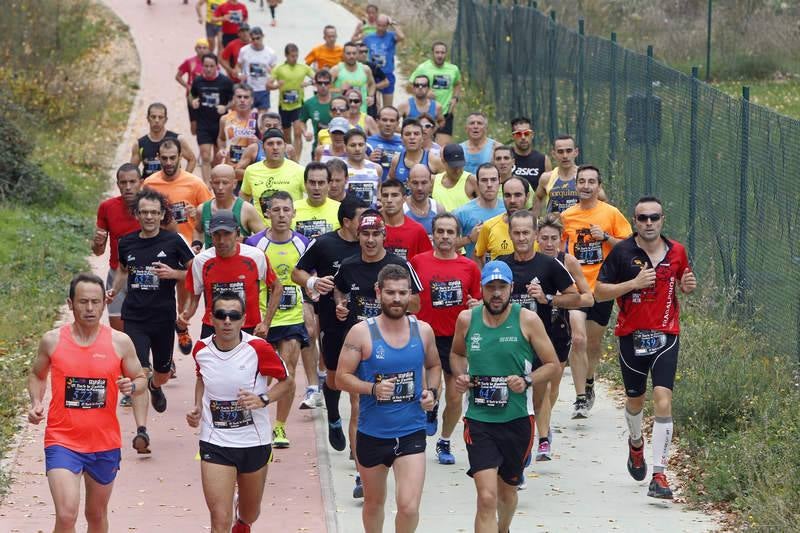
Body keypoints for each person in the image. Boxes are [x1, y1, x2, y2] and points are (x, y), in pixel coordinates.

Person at [594, 196, 696, 499]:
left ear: (663, 219)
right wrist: (633, 284)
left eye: (654, 217)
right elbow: (599, 292)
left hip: (666, 335)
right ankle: (636, 442)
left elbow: (684, 282)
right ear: (635, 221)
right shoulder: (622, 252)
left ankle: (660, 473)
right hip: (631, 336)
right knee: (635, 399)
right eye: (643, 218)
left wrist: (688, 286)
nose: (649, 223)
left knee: (663, 398)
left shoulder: (677, 251)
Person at [27, 273, 145, 533]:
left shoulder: (120, 342)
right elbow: (37, 375)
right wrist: (35, 402)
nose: (89, 309)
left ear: (104, 303)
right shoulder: (53, 340)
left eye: (95, 302)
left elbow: (140, 379)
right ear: (70, 303)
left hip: (104, 443)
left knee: (96, 514)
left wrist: (133, 385)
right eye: (82, 302)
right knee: (67, 514)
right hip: (62, 440)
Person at [451, 260, 559, 533]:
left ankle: (504, 528)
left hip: (517, 420)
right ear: (482, 289)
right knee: (486, 498)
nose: (496, 293)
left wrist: (527, 380)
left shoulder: (527, 320)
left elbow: (552, 364)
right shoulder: (467, 319)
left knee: (507, 494)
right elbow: (456, 354)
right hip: (478, 419)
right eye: (490, 287)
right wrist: (461, 375)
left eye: (502, 287)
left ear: (511, 288)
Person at [336, 265, 441, 533]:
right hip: (372, 433)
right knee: (373, 503)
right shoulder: (361, 333)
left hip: (411, 431)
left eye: (402, 293)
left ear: (410, 295)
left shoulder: (423, 330)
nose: (397, 299)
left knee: (409, 507)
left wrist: (432, 392)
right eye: (391, 293)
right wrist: (372, 389)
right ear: (378, 292)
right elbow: (341, 378)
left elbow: (433, 366)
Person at [187, 291, 293, 533]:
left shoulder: (258, 348)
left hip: (253, 441)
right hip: (215, 441)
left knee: (250, 512)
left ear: (243, 319)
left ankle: (243, 521)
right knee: (219, 519)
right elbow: (202, 378)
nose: (227, 321)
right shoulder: (201, 349)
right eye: (221, 315)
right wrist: (196, 407)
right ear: (211, 318)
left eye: (233, 316)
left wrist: (263, 399)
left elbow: (287, 382)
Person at [333, 211, 422, 498]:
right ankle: (362, 472)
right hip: (363, 344)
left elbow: (418, 303)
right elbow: (339, 291)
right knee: (359, 403)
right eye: (365, 234)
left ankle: (399, 460)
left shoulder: (399, 265)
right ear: (357, 236)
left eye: (375, 234)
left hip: (397, 338)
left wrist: (396, 307)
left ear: (384, 236)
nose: (370, 240)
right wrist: (341, 305)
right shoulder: (348, 266)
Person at [108, 188, 196, 453]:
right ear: (137, 214)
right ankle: (142, 431)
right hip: (134, 315)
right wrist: (115, 289)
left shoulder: (174, 241)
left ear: (162, 215)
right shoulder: (127, 242)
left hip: (163, 317)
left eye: (154, 213)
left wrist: (174, 273)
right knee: (139, 372)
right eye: (144, 212)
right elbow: (123, 270)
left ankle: (156, 387)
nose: (149, 217)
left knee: (161, 373)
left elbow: (195, 271)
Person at [496, 211, 584, 462]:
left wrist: (547, 298)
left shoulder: (548, 265)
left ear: (535, 235)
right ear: (510, 234)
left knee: (537, 397)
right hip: (508, 344)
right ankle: (520, 455)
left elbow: (575, 297)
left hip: (540, 342)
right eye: (517, 232)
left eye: (526, 233)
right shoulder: (502, 265)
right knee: (512, 401)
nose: (522, 238)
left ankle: (540, 437)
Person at [291, 197, 368, 455]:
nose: (366, 226)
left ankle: (359, 455)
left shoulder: (370, 244)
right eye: (361, 219)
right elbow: (296, 273)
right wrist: (313, 283)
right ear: (347, 222)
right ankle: (334, 415)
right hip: (332, 321)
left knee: (358, 387)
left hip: (365, 324)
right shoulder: (324, 244)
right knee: (335, 378)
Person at [560, 165, 632, 418]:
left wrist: (606, 238)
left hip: (602, 287)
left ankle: (589, 380)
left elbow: (628, 245)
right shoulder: (567, 217)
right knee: (577, 339)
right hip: (577, 288)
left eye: (592, 182)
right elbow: (560, 249)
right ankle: (580, 398)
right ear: (576, 185)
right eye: (582, 181)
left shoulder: (611, 213)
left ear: (598, 186)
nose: (586, 186)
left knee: (592, 342)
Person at [409, 214, 481, 464]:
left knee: (455, 394)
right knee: (424, 388)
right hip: (424, 334)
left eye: (450, 232)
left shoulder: (469, 266)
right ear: (433, 234)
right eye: (440, 231)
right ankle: (430, 408)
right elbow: (409, 294)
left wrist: (475, 304)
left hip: (455, 339)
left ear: (458, 236)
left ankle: (445, 441)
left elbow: (477, 299)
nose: (445, 237)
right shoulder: (418, 262)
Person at [245, 193, 309, 449]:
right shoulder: (254, 243)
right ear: (267, 214)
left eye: (286, 210)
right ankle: (256, 415)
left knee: (289, 372)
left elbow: (309, 278)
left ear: (294, 213)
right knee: (260, 374)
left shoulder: (304, 243)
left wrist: (310, 306)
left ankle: (280, 426)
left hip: (292, 317)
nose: (282, 215)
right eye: (276, 210)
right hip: (261, 319)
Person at [533, 213, 594, 460]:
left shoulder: (567, 261)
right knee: (537, 385)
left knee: (553, 385)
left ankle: (544, 423)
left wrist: (559, 298)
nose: (549, 243)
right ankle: (542, 434)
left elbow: (588, 297)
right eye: (544, 238)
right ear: (537, 238)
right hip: (534, 326)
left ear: (562, 239)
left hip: (558, 325)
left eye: (554, 239)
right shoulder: (529, 262)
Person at [180, 210, 282, 340]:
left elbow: (277, 287)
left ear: (237, 233)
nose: (221, 240)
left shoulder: (256, 256)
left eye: (227, 234)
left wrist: (266, 323)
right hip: (213, 328)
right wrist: (186, 315)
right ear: (210, 235)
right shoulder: (201, 261)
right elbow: (194, 297)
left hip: (248, 329)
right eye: (216, 234)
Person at [92, 163, 141, 334]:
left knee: (145, 328)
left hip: (144, 275)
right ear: (118, 184)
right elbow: (98, 252)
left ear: (140, 182)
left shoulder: (151, 208)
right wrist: (97, 242)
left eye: (132, 182)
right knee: (118, 332)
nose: (128, 187)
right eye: (123, 182)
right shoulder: (107, 207)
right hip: (116, 273)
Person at [143, 138, 213, 246]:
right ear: (158, 157)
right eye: (164, 158)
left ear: (180, 156)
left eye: (172, 158)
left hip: (189, 247)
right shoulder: (149, 184)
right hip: (158, 246)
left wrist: (197, 214)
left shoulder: (195, 183)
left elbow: (212, 215)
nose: (168, 162)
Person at [240, 128, 306, 223]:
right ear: (263, 147)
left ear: (285, 146)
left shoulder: (299, 170)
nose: (275, 147)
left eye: (279, 143)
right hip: (262, 232)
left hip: (292, 231)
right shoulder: (251, 171)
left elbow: (314, 196)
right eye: (270, 144)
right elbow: (244, 194)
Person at [195, 164, 265, 250]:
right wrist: (196, 244)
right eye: (216, 183)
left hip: (239, 262)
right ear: (211, 184)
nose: (220, 187)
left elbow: (263, 239)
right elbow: (198, 231)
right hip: (212, 261)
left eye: (225, 183)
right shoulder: (202, 209)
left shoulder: (246, 209)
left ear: (234, 184)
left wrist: (246, 241)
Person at [532, 134, 607, 215]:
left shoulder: (586, 177)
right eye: (560, 152)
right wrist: (535, 223)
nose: (565, 156)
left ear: (576, 152)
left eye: (569, 151)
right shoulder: (546, 178)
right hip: (555, 226)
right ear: (553, 154)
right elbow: (538, 198)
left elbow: (603, 200)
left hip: (580, 226)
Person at [190, 53, 234, 184]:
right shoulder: (198, 81)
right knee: (205, 156)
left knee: (217, 157)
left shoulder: (225, 82)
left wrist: (226, 107)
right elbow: (191, 95)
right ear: (202, 66)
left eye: (211, 66)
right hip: (203, 123)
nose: (208, 69)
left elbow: (234, 100)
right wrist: (194, 102)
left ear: (217, 66)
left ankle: (214, 181)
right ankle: (206, 186)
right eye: (206, 66)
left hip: (220, 125)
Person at [410, 41, 462, 145]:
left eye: (442, 53)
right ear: (432, 53)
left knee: (442, 148)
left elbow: (457, 83)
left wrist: (455, 98)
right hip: (426, 114)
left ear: (446, 54)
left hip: (445, 112)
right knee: (422, 145)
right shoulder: (423, 68)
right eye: (437, 52)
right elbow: (410, 85)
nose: (440, 55)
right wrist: (424, 92)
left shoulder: (453, 69)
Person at [474, 173, 530, 266]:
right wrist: (484, 277)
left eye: (517, 195)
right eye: (507, 195)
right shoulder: (489, 226)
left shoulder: (538, 227)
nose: (512, 200)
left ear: (527, 197)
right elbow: (477, 255)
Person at [452, 161, 504, 259]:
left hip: (504, 271)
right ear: (477, 183)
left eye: (493, 180)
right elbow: (446, 246)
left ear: (499, 181)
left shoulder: (509, 210)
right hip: (473, 271)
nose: (489, 184)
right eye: (484, 180)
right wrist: (469, 239)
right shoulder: (462, 213)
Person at [131, 103, 196, 179]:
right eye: (153, 117)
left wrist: (183, 180)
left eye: (160, 117)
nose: (157, 120)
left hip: (172, 186)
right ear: (148, 118)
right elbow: (132, 170)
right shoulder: (139, 144)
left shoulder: (178, 140)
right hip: (149, 187)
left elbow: (192, 160)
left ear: (165, 120)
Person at [272, 43, 315, 156]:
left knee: (297, 133)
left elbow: (318, 78)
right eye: (292, 56)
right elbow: (268, 85)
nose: (294, 58)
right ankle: (289, 156)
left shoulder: (303, 68)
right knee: (286, 136)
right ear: (286, 55)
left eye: (296, 56)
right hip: (284, 106)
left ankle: (297, 159)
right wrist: (277, 85)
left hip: (298, 105)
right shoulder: (279, 69)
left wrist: (308, 82)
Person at [380, 178, 433, 261]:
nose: (389, 200)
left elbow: (427, 262)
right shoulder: (373, 228)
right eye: (385, 195)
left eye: (394, 195)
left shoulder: (417, 230)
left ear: (404, 199)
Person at [362, 15, 404, 108]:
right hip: (374, 74)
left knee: (387, 106)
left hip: (387, 73)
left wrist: (393, 23)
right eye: (379, 25)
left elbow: (401, 37)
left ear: (387, 26)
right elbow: (361, 51)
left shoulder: (391, 36)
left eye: (384, 26)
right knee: (375, 105)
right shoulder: (368, 38)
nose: (381, 28)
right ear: (376, 24)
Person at [293, 161, 341, 240]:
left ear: (329, 185)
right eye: (312, 182)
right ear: (305, 184)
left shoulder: (340, 210)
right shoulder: (292, 209)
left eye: (321, 183)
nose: (316, 188)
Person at [216, 84, 259, 169]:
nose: (242, 100)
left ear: (252, 100)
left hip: (252, 167)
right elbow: (221, 138)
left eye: (246, 97)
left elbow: (268, 143)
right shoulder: (225, 119)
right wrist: (221, 149)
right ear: (233, 99)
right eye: (239, 97)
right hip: (230, 166)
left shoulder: (258, 119)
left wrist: (258, 142)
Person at [388, 119, 443, 183]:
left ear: (422, 138)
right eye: (408, 134)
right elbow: (390, 182)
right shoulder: (396, 160)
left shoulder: (434, 160)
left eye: (416, 134)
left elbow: (446, 183)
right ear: (402, 139)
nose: (412, 137)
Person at [236, 26, 277, 113]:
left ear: (263, 36)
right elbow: (238, 66)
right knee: (248, 118)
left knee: (262, 119)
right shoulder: (244, 51)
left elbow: (274, 71)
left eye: (258, 38)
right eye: (253, 39)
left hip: (263, 90)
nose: (255, 41)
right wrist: (240, 75)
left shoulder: (270, 53)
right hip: (248, 89)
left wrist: (271, 80)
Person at [176, 38, 211, 136]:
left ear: (208, 49)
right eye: (199, 47)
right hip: (192, 96)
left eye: (204, 48)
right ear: (195, 49)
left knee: (206, 124)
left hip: (207, 96)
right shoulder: (189, 62)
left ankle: (203, 144)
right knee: (194, 129)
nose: (202, 50)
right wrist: (187, 86)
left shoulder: (211, 63)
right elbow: (178, 76)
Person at [331, 41, 376, 114]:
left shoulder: (365, 69)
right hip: (341, 113)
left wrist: (371, 96)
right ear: (343, 54)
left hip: (361, 112)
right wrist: (339, 90)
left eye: (354, 53)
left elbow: (372, 84)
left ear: (357, 54)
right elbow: (324, 91)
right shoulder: (336, 70)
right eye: (348, 53)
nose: (351, 56)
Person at [344, 128, 383, 206]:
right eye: (353, 145)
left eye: (361, 145)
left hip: (371, 216)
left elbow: (379, 193)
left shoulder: (376, 169)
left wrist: (379, 202)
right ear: (345, 148)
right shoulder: (340, 168)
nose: (357, 149)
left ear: (366, 146)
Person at [432, 143, 477, 212]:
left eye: (460, 166)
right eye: (453, 167)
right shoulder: (433, 181)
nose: (458, 171)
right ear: (443, 162)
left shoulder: (472, 181)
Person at [509, 116, 552, 189]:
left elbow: (548, 190)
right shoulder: (504, 158)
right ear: (513, 136)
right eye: (518, 134)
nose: (523, 137)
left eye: (526, 133)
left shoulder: (543, 160)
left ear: (532, 135)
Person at [403, 164, 444, 236]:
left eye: (424, 183)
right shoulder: (401, 209)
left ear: (431, 182)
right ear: (408, 183)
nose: (420, 188)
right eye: (415, 183)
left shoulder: (438, 209)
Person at [299, 70, 334, 153]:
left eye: (326, 83)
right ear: (315, 84)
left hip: (338, 149)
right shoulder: (309, 103)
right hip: (318, 148)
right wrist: (305, 132)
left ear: (330, 84)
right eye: (320, 83)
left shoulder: (337, 101)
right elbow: (302, 121)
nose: (323, 86)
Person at [367, 106, 403, 180]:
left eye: (392, 121)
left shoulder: (404, 144)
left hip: (397, 188)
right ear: (377, 122)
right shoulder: (367, 143)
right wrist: (368, 161)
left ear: (397, 123)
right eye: (384, 120)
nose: (388, 124)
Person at [357, 42, 389, 118]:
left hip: (369, 101)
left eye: (366, 52)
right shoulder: (348, 68)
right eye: (361, 52)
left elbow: (386, 82)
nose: (364, 54)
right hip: (353, 100)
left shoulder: (372, 66)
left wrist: (373, 87)